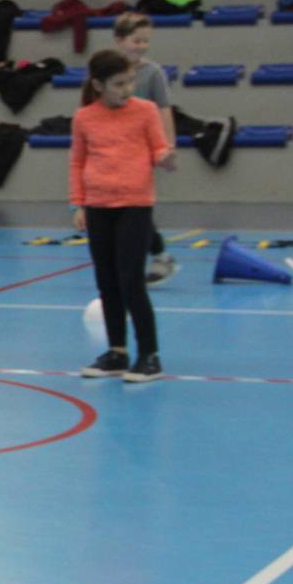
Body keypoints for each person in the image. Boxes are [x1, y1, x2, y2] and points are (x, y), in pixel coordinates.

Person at [72, 48, 167, 383]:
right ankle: (117, 352)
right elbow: (78, 162)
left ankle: (149, 354)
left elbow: (157, 147)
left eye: (130, 82)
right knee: (107, 280)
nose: (127, 89)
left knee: (131, 281)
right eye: (119, 84)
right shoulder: (84, 117)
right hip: (98, 206)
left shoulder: (145, 111)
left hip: (135, 205)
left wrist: (164, 157)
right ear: (98, 85)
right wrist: (78, 202)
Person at [111, 12, 181, 285]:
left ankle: (159, 255)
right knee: (116, 208)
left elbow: (164, 109)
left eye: (145, 42)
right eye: (135, 41)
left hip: (140, 151)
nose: (141, 46)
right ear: (119, 40)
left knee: (135, 207)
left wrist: (167, 146)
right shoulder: (106, 70)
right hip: (111, 149)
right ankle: (141, 256)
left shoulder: (153, 73)